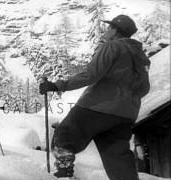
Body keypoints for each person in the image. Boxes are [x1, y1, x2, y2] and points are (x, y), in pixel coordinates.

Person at [39, 15, 150, 180]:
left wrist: (58, 85)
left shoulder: (112, 47)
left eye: (109, 28)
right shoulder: (141, 57)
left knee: (64, 136)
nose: (106, 30)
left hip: (97, 106)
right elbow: (144, 88)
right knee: (117, 157)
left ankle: (64, 175)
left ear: (115, 31)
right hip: (126, 115)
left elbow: (91, 74)